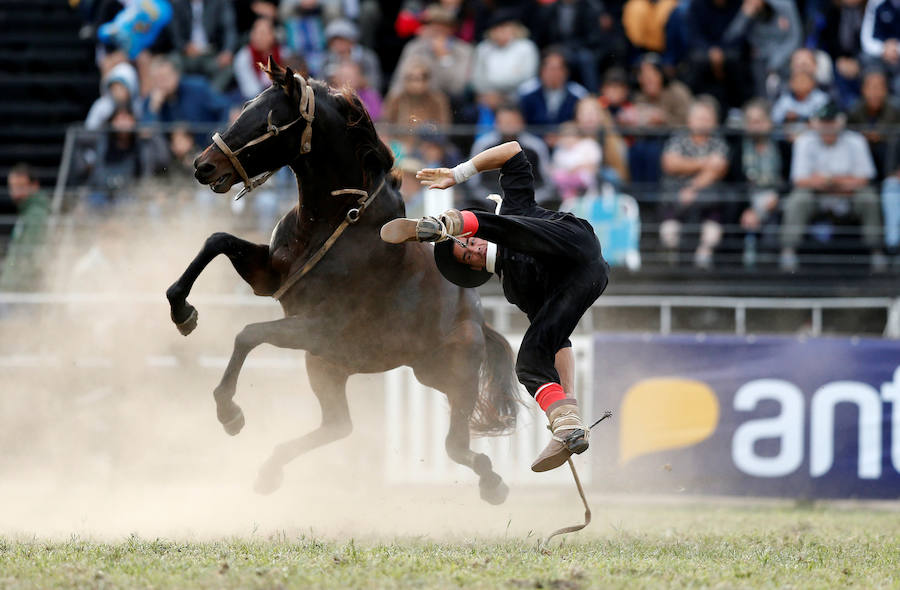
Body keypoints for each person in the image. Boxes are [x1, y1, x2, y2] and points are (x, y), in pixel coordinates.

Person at [379, 141, 609, 472]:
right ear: (474, 269)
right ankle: (565, 426)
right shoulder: (515, 289)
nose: (473, 251)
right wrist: (566, 405)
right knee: (530, 359)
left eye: (470, 244)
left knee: (514, 226)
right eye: (468, 254)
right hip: (582, 282)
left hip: (575, 244)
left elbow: (512, 151)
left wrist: (457, 173)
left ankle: (454, 222)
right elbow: (556, 339)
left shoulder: (514, 207)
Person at [779, 102, 884, 271]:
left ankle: (877, 252)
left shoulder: (855, 140)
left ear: (840, 123)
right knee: (797, 199)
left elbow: (864, 178)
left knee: (869, 197)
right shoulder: (804, 141)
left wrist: (834, 182)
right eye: (823, 122)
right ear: (815, 123)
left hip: (848, 197)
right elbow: (799, 180)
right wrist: (830, 182)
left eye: (831, 122)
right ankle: (788, 252)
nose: (827, 127)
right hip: (817, 197)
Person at [659, 98, 732, 268]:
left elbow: (719, 168)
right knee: (669, 229)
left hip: (707, 199)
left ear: (714, 122)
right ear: (689, 120)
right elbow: (670, 164)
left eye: (707, 118)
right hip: (677, 198)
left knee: (713, 227)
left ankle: (704, 258)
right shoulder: (678, 138)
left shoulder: (718, 141)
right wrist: (705, 162)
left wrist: (692, 187)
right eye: (699, 118)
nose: (703, 122)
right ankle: (673, 261)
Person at [389, 4, 474, 100]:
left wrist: (444, 58)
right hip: (414, 101)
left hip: (448, 104)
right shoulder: (414, 47)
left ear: (452, 29)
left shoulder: (464, 50)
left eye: (443, 25)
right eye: (431, 25)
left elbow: (457, 89)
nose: (436, 30)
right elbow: (398, 82)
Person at [0, 164, 51, 292]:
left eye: (21, 187)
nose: (16, 193)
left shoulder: (36, 215)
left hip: (22, 289)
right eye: (13, 187)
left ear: (34, 186)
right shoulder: (28, 213)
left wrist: (11, 284)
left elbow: (28, 255)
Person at [169, 0, 238, 92]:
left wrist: (227, 51)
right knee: (171, 63)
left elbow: (229, 29)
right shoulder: (178, 4)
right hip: (186, 55)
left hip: (210, 53)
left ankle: (210, 97)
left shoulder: (218, 3)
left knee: (228, 67)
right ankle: (182, 99)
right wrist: (184, 47)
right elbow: (174, 34)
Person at [518, 47, 588, 127]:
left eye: (558, 69)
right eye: (550, 69)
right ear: (541, 70)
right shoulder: (526, 92)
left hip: (568, 136)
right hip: (532, 136)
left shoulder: (578, 94)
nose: (554, 74)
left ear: (566, 71)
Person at [233, 17, 282, 100]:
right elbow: (250, 91)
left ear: (272, 35)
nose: (257, 37)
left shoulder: (283, 53)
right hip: (254, 101)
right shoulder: (243, 57)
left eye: (262, 33)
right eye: (255, 32)